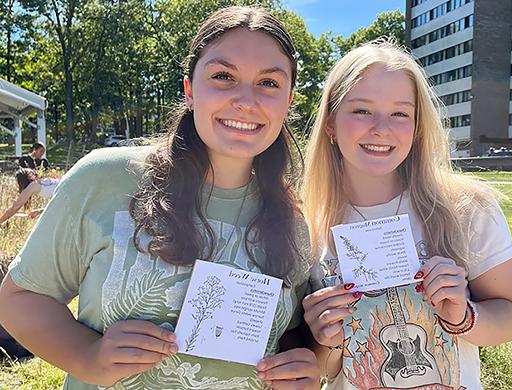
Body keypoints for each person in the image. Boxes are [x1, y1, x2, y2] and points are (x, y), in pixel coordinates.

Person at [0, 7, 319, 389]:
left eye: (269, 83)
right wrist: (87, 356)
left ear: (288, 101)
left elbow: (289, 335)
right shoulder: (106, 179)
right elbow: (19, 298)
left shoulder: (292, 222)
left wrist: (303, 366)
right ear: (189, 91)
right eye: (223, 76)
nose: (245, 100)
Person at [301, 41, 512, 390]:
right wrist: (325, 340)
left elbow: (510, 318)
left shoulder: (467, 208)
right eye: (362, 110)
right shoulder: (306, 228)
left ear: (418, 125)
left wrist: (464, 315)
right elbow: (327, 370)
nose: (381, 128)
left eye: (400, 113)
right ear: (330, 122)